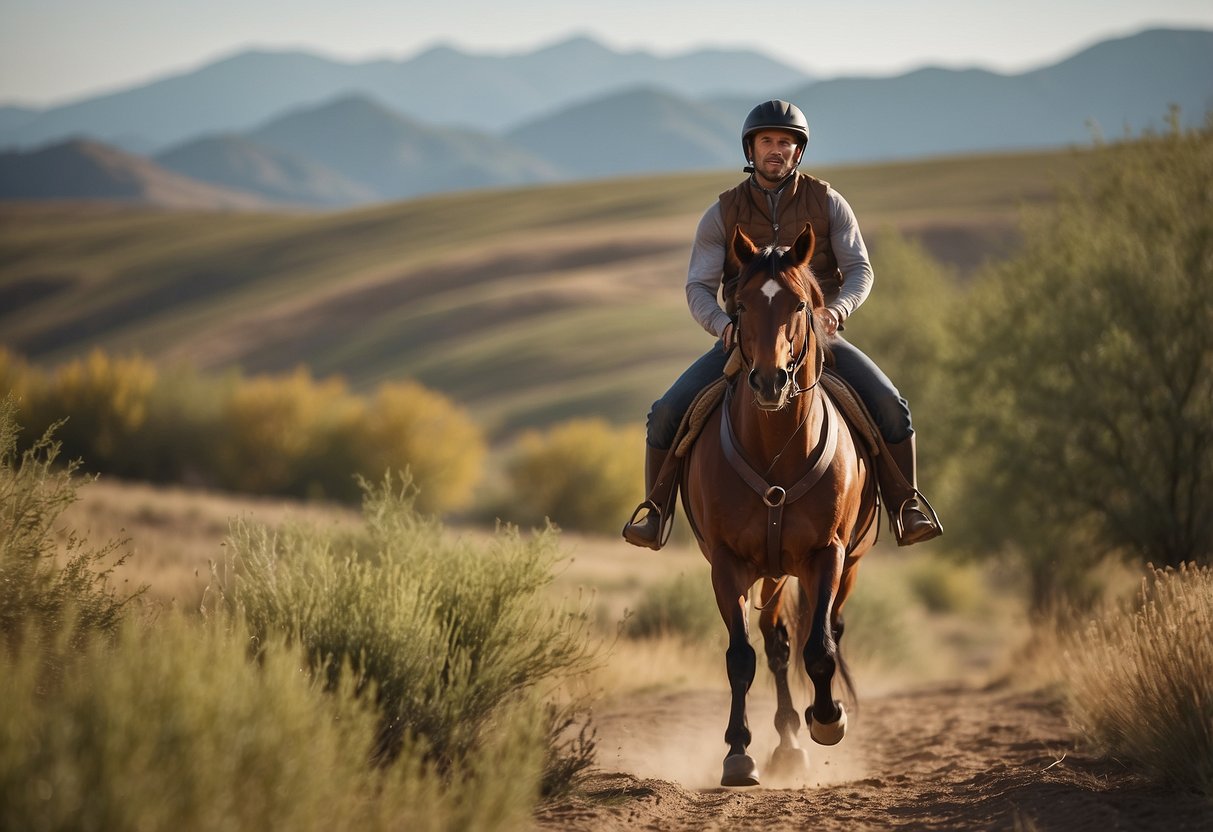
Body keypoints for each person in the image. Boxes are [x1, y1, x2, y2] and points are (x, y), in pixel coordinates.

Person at [622, 99, 942, 549]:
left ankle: (906, 507)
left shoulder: (828, 202)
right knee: (666, 414)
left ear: (799, 152)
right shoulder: (722, 213)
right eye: (767, 141)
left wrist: (837, 310)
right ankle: (654, 514)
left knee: (892, 407)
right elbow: (698, 285)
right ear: (750, 150)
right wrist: (722, 326)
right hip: (745, 341)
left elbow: (860, 270)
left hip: (818, 338)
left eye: (786, 142)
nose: (777, 149)